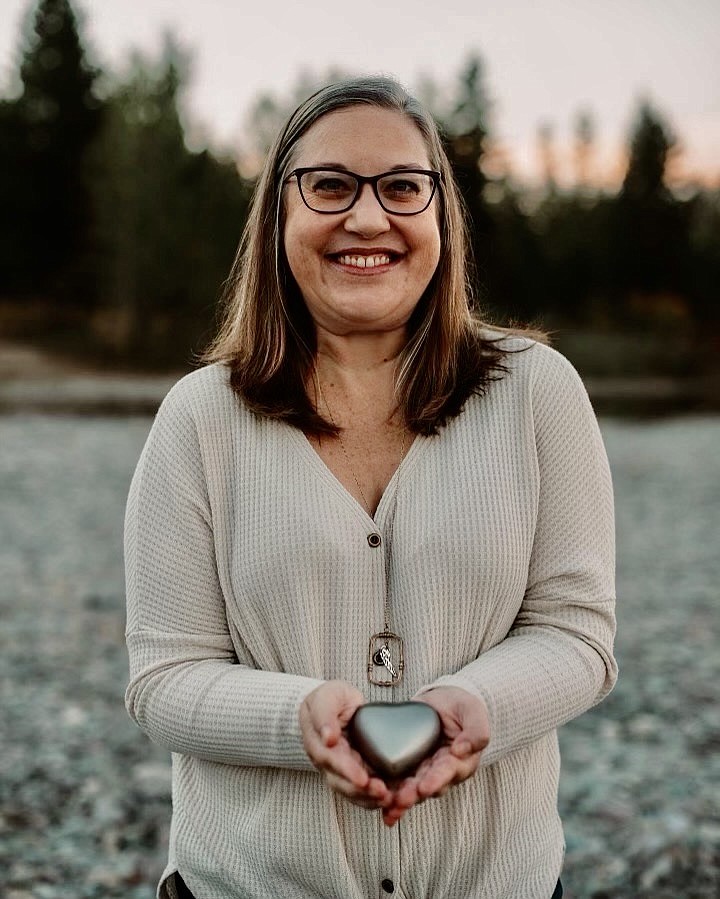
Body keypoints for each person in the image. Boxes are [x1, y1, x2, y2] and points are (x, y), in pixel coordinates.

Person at [124, 76, 616, 899]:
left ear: (440, 216)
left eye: (400, 186)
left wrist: (476, 704)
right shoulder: (199, 417)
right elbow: (163, 677)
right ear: (281, 212)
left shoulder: (540, 392)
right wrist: (300, 718)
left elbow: (578, 635)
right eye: (329, 185)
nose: (366, 217)